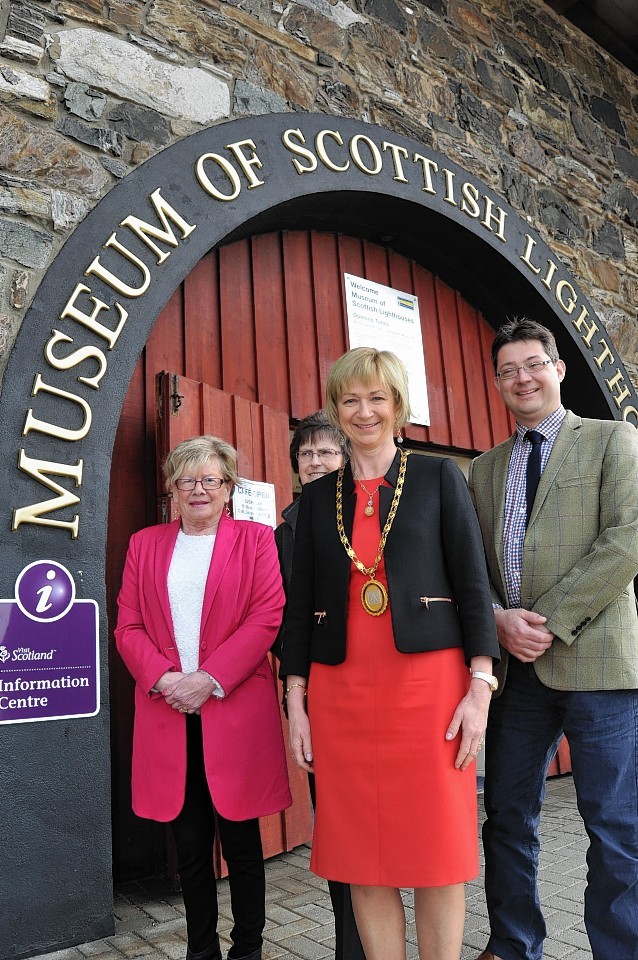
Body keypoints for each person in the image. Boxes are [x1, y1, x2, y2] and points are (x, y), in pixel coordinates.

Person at [278, 347, 500, 960]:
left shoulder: (437, 478)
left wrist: (480, 687)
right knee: (361, 857)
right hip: (339, 693)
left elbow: (474, 586)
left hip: (429, 692)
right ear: (336, 410)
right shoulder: (320, 500)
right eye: (350, 399)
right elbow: (300, 611)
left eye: (377, 398)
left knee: (437, 853)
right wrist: (296, 703)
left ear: (398, 406)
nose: (364, 411)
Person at [467, 317, 638, 960]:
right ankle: (514, 945)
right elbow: (470, 565)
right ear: (498, 383)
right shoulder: (481, 470)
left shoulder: (613, 440)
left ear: (559, 368)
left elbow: (627, 540)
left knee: (616, 828)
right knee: (507, 819)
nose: (522, 378)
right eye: (508, 370)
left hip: (599, 664)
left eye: (533, 363)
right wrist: (498, 618)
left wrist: (548, 621)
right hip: (515, 674)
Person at [115, 435, 291, 960]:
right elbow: (128, 625)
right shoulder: (144, 544)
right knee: (189, 847)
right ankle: (201, 951)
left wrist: (209, 678)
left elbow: (266, 617)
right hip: (169, 713)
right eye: (187, 479)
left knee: (241, 846)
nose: (199, 490)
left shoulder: (257, 541)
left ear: (228, 488)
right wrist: (167, 679)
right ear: (172, 487)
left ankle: (248, 949)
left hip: (231, 709)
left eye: (211, 479)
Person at [274, 411, 366, 960]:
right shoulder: (283, 532)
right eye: (307, 454)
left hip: (373, 687)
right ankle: (350, 945)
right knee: (333, 820)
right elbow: (283, 618)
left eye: (328, 452)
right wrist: (294, 684)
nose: (316, 461)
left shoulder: (367, 517)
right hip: (314, 692)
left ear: (346, 459)